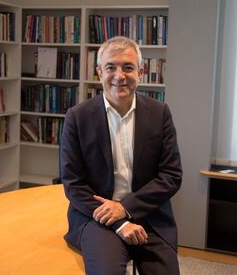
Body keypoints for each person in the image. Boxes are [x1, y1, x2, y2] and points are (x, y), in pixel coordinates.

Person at [60, 36, 183, 275]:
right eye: (110, 67)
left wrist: (126, 208)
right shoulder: (77, 117)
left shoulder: (160, 114)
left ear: (141, 72)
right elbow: (73, 183)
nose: (119, 76)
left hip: (149, 213)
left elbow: (171, 175)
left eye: (128, 67)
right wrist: (119, 221)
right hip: (97, 217)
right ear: (99, 72)